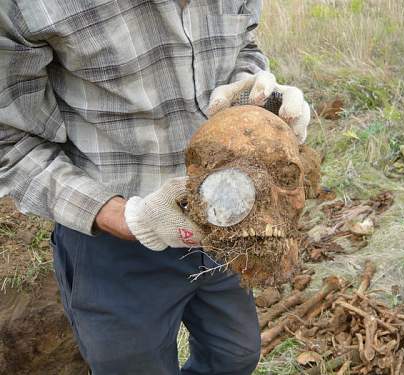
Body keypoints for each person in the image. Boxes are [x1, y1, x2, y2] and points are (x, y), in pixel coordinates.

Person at [0, 1, 309, 374]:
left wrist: (250, 95)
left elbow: (242, 46)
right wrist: (126, 218)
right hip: (112, 244)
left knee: (236, 355)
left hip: (225, 221)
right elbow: (11, 145)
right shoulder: (30, 8)